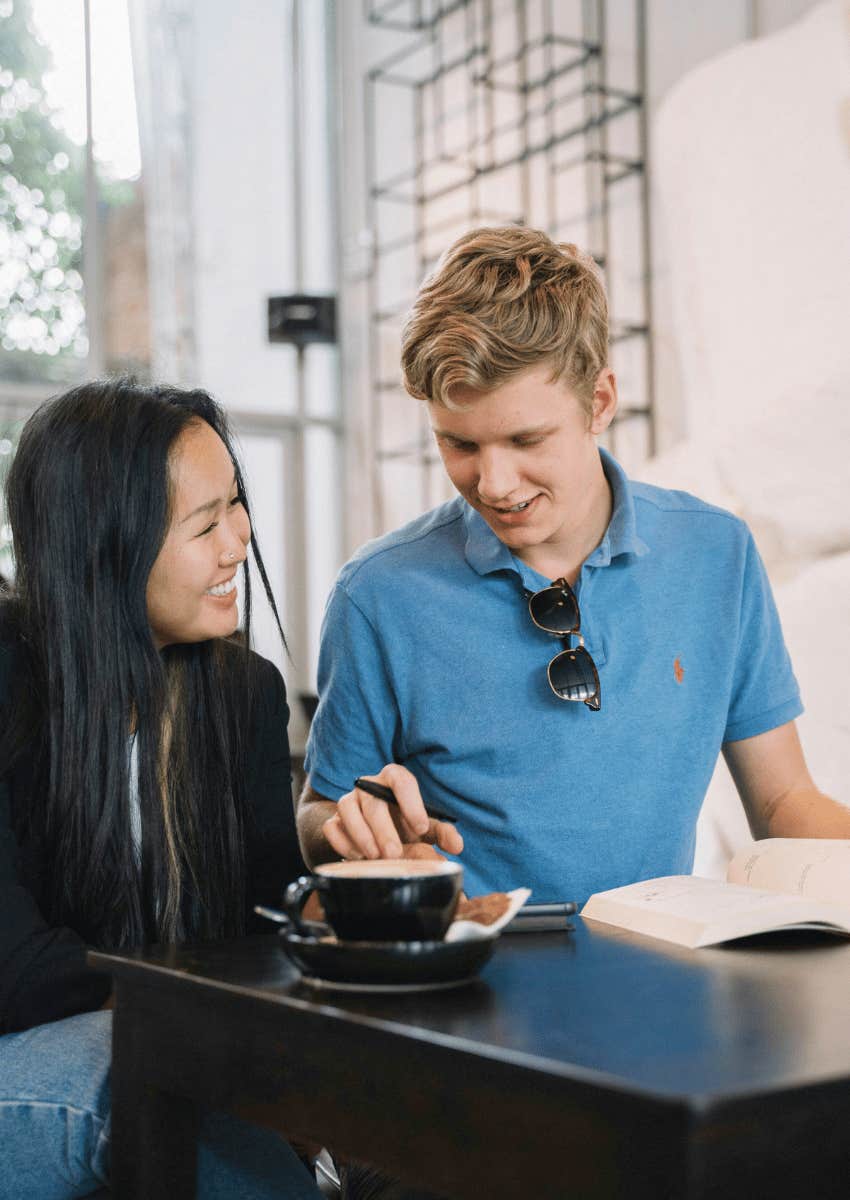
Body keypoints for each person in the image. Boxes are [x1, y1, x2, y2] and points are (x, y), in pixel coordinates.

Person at [298, 224, 850, 1198]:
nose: (494, 483)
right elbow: (320, 818)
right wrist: (343, 832)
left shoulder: (716, 557)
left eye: (524, 440)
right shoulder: (378, 595)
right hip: (453, 1045)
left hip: (663, 1029)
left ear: (600, 399)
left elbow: (787, 804)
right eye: (457, 445)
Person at [0, 380, 322, 1200]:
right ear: (106, 545)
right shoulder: (9, 678)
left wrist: (344, 898)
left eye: (237, 506)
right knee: (143, 1068)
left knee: (170, 1064)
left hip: (161, 1039)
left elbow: (265, 932)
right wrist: (202, 1008)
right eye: (205, 523)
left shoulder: (243, 694)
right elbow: (17, 972)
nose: (240, 542)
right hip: (38, 1055)